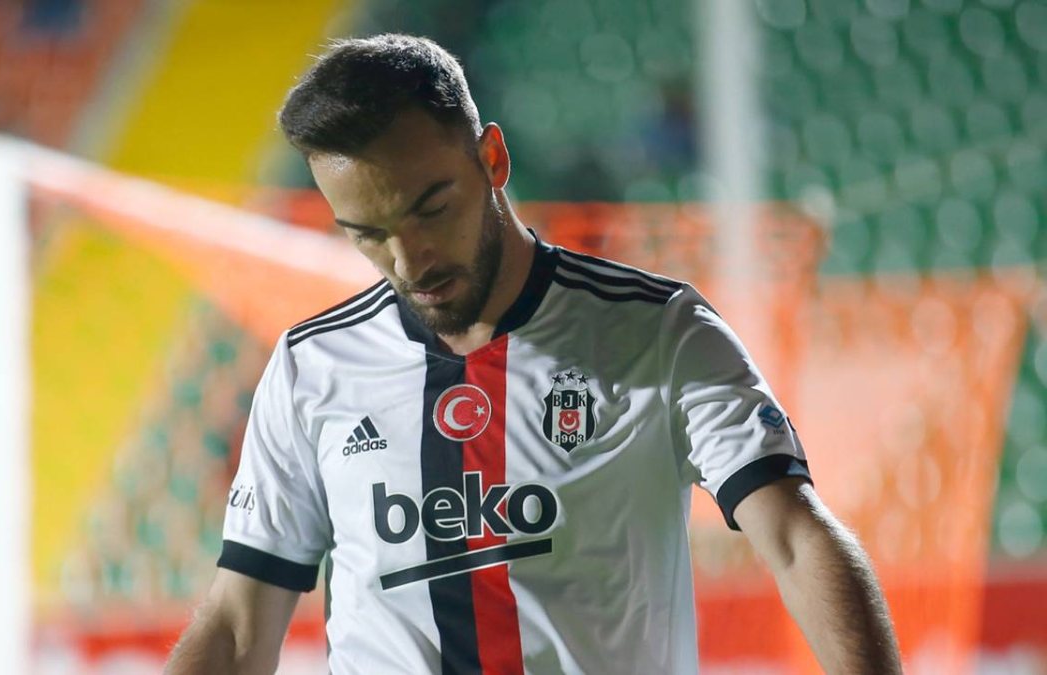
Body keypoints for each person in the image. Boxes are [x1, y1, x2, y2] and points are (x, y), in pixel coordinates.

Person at [165, 34, 901, 675]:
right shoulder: (311, 367)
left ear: (492, 158)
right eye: (368, 234)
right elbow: (237, 625)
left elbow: (796, 539)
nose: (409, 260)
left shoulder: (657, 331)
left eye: (432, 209)